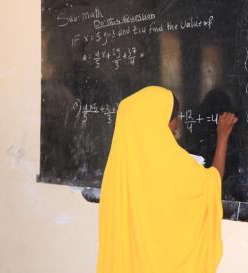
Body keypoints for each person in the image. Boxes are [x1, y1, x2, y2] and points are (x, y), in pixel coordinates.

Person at [96, 86, 237, 273]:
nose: (178, 123)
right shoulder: (173, 162)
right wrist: (223, 137)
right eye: (175, 116)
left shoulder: (118, 169)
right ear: (161, 118)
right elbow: (213, 182)